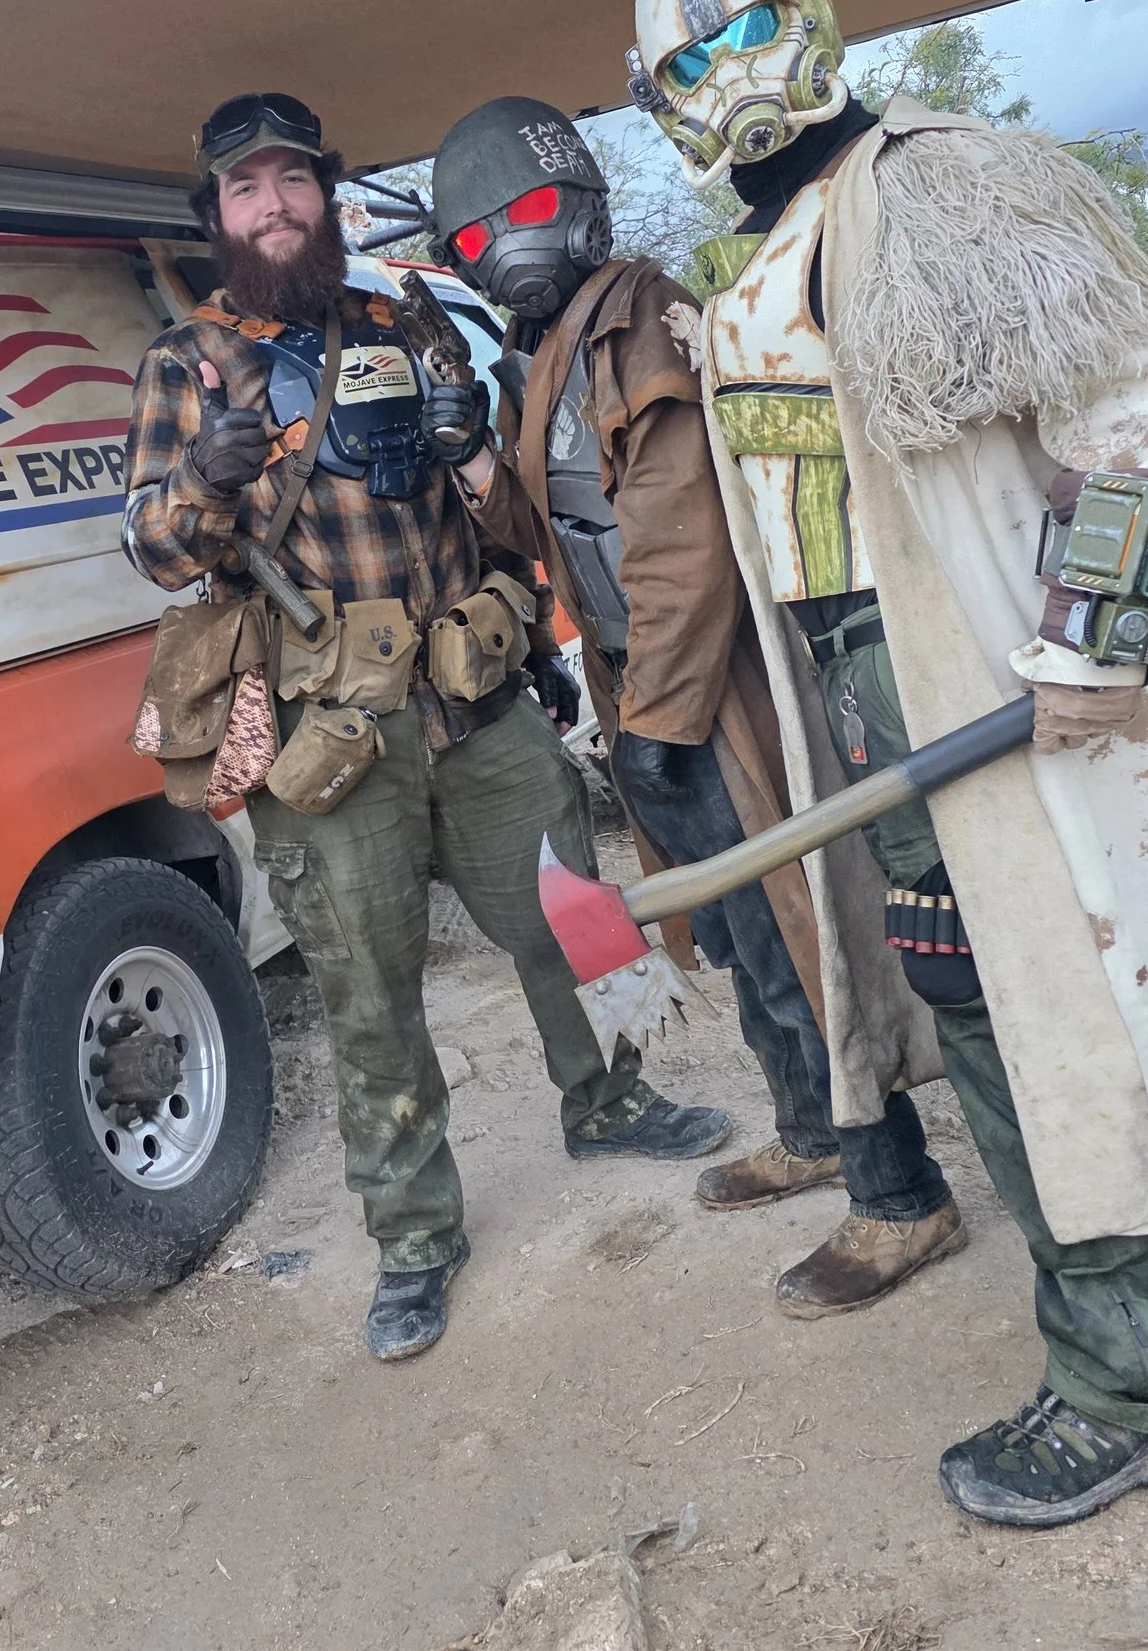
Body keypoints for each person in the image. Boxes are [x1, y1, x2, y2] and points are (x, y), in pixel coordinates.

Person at [623, 0, 1148, 1527]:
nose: (727, 73)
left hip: (1000, 690)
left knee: (1064, 1007)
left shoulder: (937, 182)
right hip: (876, 709)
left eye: (747, 30)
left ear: (815, 14)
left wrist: (1092, 639)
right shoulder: (763, 253)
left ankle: (1131, 1387)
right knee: (985, 1001)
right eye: (686, 58)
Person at [120, 92, 732, 1364]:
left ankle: (609, 1098)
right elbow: (150, 548)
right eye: (247, 190)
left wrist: (467, 454)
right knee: (366, 991)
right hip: (330, 736)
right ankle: (413, 1239)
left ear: (324, 197)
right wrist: (207, 481)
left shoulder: (402, 321)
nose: (275, 205)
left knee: (575, 914)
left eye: (294, 181)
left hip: (474, 699)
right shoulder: (184, 364)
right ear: (216, 218)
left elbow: (508, 518)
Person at [429, 96, 967, 1320]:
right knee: (733, 939)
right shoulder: (555, 348)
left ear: (577, 205)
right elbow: (554, 533)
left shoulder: (634, 324)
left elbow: (681, 547)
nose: (502, 247)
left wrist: (659, 727)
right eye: (476, 237)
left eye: (521, 213)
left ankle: (900, 1197)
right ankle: (809, 1132)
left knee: (800, 933)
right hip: (644, 689)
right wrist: (474, 454)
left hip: (711, 689)